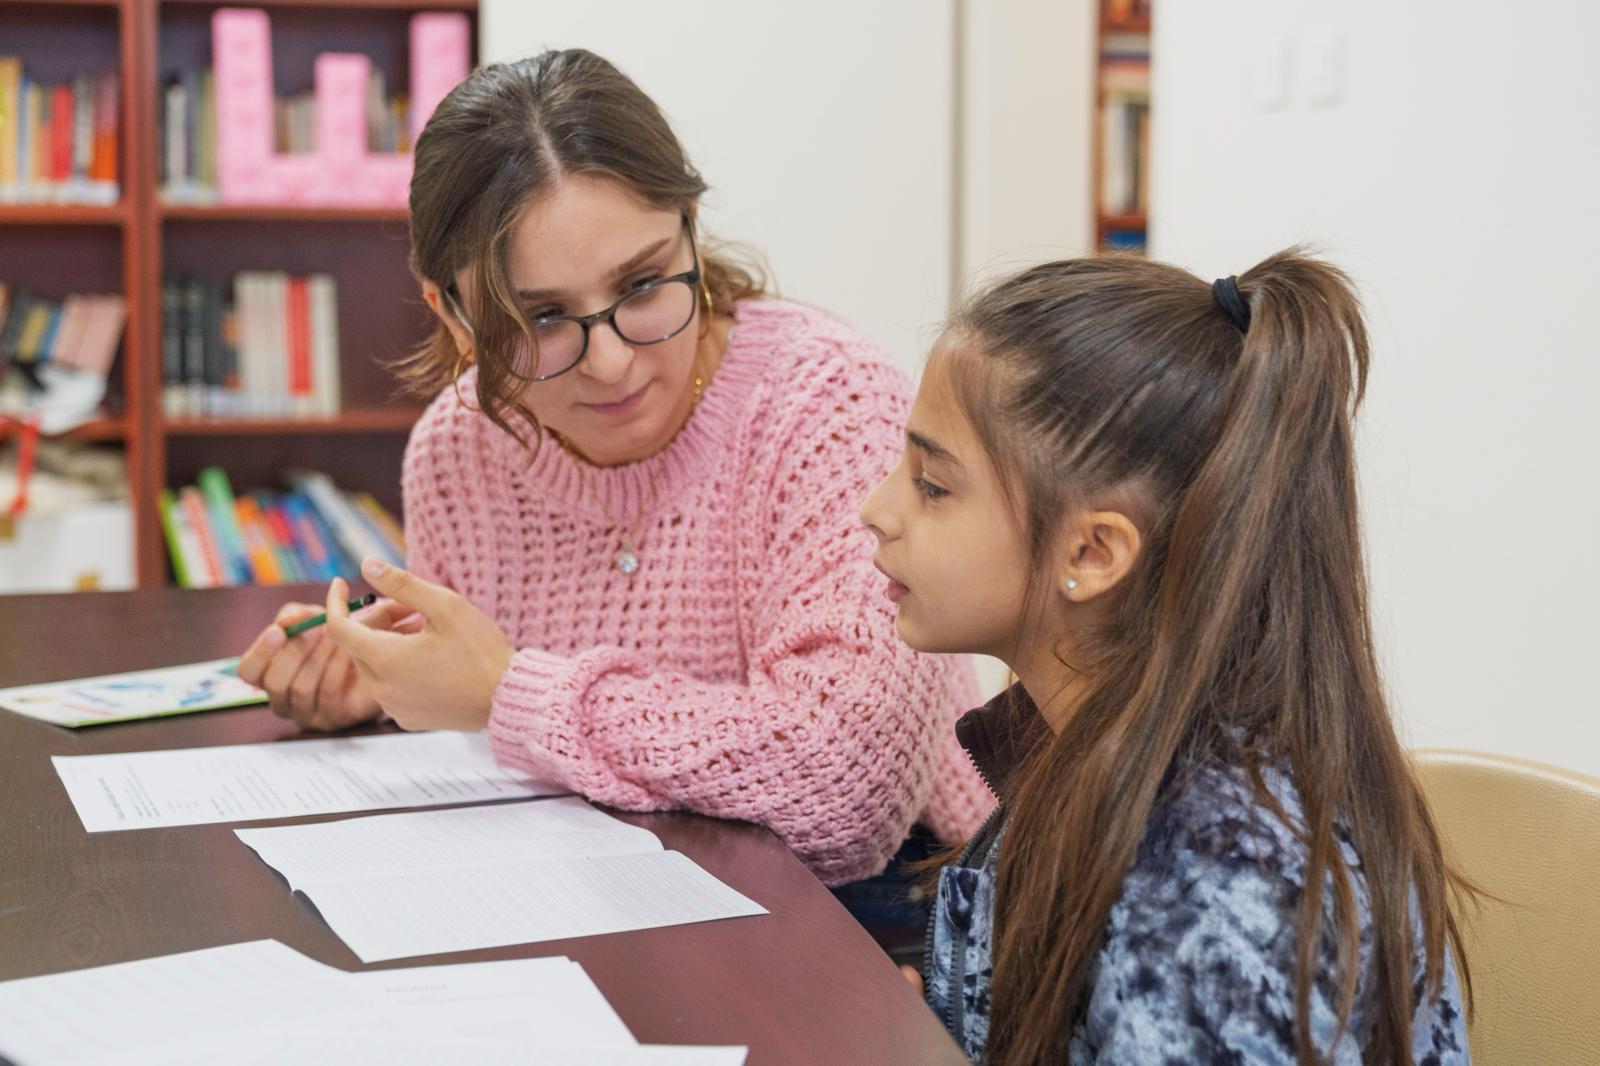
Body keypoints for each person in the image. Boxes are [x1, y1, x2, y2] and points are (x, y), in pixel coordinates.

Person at [234, 49, 991, 893]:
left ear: (691, 230)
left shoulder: (830, 406)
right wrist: (388, 691)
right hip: (590, 890)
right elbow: (485, 742)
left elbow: (841, 794)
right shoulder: (456, 451)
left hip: (886, 898)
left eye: (642, 284)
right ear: (453, 316)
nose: (611, 363)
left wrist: (507, 692)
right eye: (541, 318)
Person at [860, 251, 1473, 1062]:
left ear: (1092, 553)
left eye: (933, 485)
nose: (876, 509)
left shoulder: (1217, 888)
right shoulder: (1098, 750)